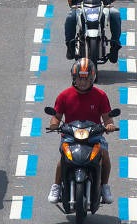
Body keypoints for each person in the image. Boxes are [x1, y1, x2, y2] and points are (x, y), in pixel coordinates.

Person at [47, 58, 119, 204]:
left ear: (92, 78)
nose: (82, 82)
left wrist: (109, 126)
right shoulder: (64, 96)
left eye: (86, 79)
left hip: (94, 136)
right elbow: (56, 118)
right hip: (70, 136)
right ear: (74, 78)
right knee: (63, 159)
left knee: (104, 155)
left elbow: (107, 119)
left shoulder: (100, 95)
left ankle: (104, 186)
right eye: (80, 79)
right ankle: (56, 187)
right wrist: (54, 125)